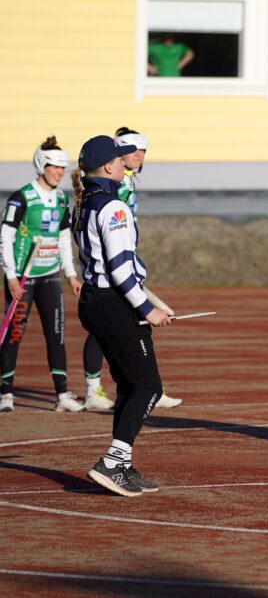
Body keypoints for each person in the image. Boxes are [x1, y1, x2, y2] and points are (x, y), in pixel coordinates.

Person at [73, 135, 172, 497]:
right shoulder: (113, 207)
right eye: (119, 158)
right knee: (149, 387)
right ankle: (113, 462)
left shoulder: (85, 202)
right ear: (111, 167)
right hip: (113, 302)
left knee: (130, 386)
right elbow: (118, 268)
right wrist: (146, 309)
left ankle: (123, 464)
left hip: (96, 302)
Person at [80, 129, 181, 411]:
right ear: (114, 159)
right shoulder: (112, 190)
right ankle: (99, 390)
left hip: (119, 268)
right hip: (112, 275)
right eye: (132, 148)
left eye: (143, 148)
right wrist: (148, 308)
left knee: (110, 334)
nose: (139, 153)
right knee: (107, 331)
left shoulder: (122, 184)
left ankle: (142, 390)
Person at [0, 137, 84, 413]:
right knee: (14, 334)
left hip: (49, 276)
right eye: (54, 167)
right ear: (41, 165)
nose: (59, 172)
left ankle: (62, 396)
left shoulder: (61, 199)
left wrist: (71, 274)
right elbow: (5, 237)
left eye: (63, 168)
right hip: (22, 278)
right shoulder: (22, 198)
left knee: (56, 334)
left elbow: (63, 239)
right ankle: (6, 394)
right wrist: (10, 276)